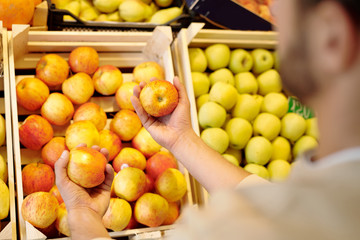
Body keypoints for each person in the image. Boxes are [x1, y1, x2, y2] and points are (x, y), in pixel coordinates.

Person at [55, 0, 360, 239]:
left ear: (332, 37)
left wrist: (82, 214)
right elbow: (278, 206)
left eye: (285, 4)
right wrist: (182, 140)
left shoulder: (224, 230)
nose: (273, 10)